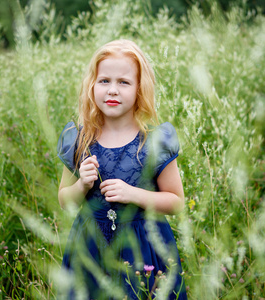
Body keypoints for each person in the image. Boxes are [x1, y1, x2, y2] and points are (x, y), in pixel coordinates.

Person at [57, 39, 187, 299]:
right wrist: (81, 184)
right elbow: (64, 200)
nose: (112, 90)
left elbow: (176, 202)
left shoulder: (154, 142)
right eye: (104, 81)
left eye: (124, 82)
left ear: (140, 88)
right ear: (92, 85)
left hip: (143, 251)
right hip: (90, 249)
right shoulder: (80, 139)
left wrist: (133, 194)